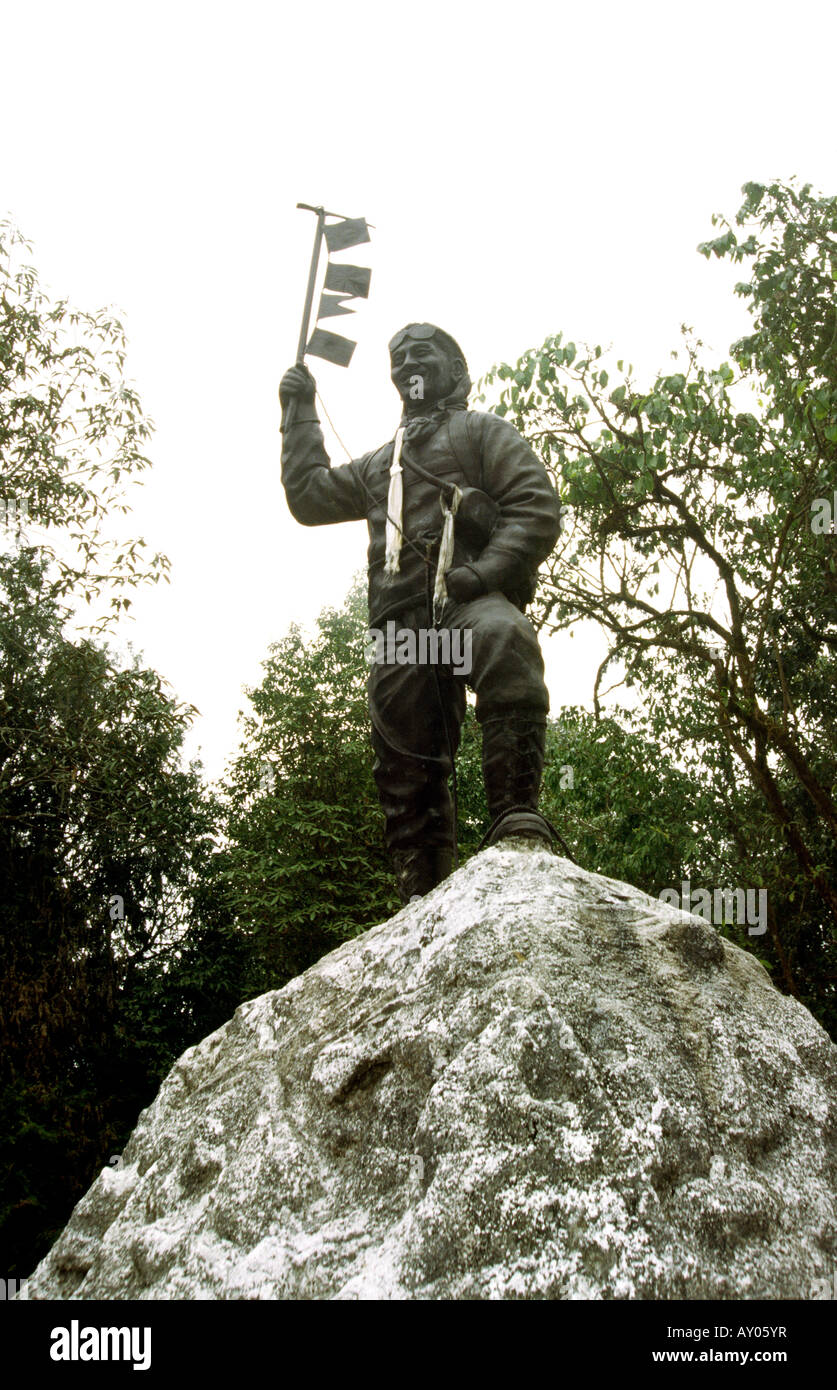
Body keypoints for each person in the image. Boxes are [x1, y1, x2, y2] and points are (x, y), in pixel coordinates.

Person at [279, 323, 561, 903]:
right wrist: (300, 413)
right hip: (400, 629)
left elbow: (534, 504)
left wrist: (482, 576)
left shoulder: (481, 433)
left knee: (504, 640)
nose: (408, 360)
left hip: (464, 603)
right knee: (404, 756)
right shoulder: (382, 464)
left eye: (422, 352)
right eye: (398, 356)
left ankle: (515, 820)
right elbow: (308, 496)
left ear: (456, 372)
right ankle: (423, 891)